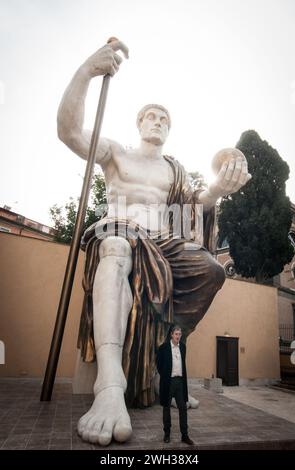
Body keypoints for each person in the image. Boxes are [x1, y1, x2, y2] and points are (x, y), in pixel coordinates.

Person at [57, 39, 252, 446]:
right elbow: (69, 131)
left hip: (162, 241)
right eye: (151, 116)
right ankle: (110, 385)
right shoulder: (116, 153)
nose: (158, 121)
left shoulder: (173, 172)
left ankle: (163, 369)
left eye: (164, 117)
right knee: (116, 247)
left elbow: (193, 211)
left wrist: (217, 189)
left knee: (211, 271)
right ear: (139, 124)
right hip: (118, 230)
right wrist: (87, 71)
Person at [156, 325, 194, 445]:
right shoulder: (164, 348)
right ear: (171, 335)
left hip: (180, 382)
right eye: (176, 334)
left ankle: (185, 435)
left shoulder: (183, 347)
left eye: (180, 334)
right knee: (166, 408)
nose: (178, 336)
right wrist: (165, 375)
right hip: (169, 382)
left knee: (182, 408)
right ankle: (167, 434)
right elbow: (159, 364)